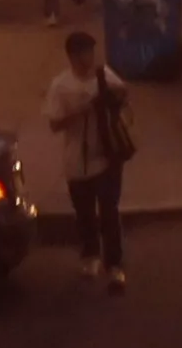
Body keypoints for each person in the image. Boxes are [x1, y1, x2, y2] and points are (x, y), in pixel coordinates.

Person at [42, 31, 131, 292]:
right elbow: (54, 124)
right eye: (83, 54)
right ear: (72, 57)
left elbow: (124, 96)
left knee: (109, 212)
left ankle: (114, 264)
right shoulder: (61, 86)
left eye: (91, 52)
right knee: (84, 213)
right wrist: (82, 110)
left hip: (107, 155)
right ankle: (90, 255)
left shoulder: (104, 76)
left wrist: (116, 96)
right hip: (77, 162)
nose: (89, 59)